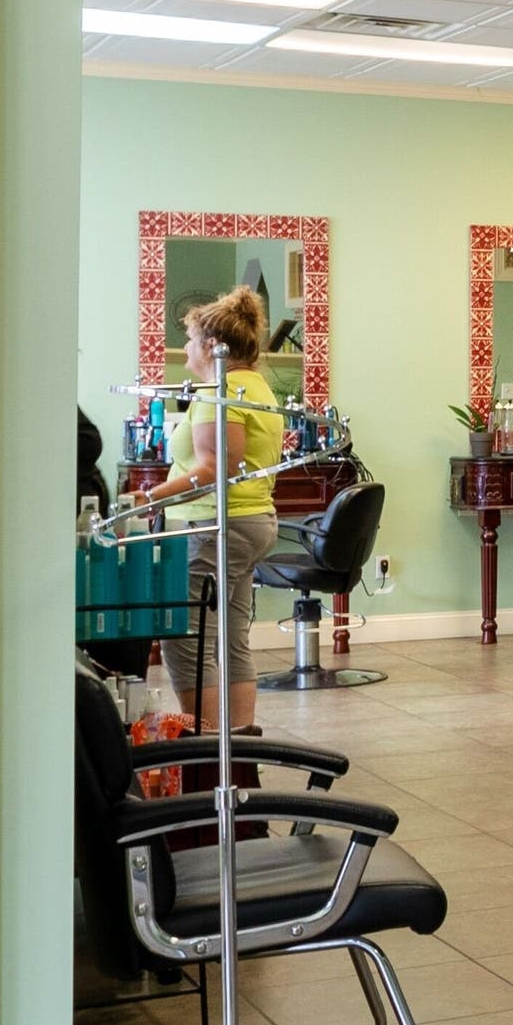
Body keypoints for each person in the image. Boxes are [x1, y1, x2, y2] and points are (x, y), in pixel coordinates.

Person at [126, 285, 284, 735]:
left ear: (214, 346)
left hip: (213, 525)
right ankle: (238, 750)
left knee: (187, 640)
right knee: (231, 639)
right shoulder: (257, 387)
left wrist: (149, 497)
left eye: (192, 340)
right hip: (247, 522)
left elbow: (217, 466)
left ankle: (206, 752)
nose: (186, 349)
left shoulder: (224, 388)